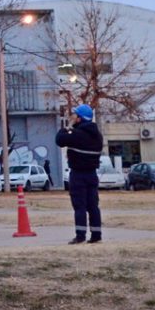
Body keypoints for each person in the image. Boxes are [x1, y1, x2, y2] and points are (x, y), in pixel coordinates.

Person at [55, 103, 104, 244]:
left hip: (78, 174)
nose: (72, 117)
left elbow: (59, 140)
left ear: (80, 118)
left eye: (75, 115)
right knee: (93, 206)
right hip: (92, 174)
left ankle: (80, 235)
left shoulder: (77, 134)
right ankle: (96, 235)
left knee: (80, 206)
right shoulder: (98, 136)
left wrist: (67, 127)